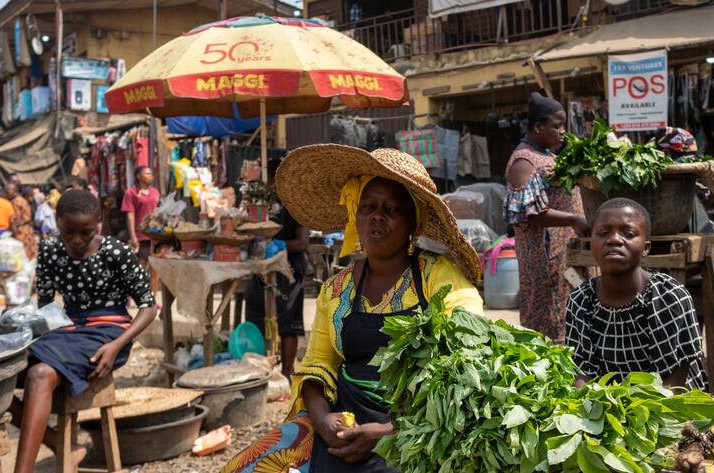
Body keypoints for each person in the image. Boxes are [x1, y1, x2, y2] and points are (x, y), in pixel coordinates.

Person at [224, 145, 484, 473]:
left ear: (413, 221)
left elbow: (468, 361)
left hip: (419, 424)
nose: (378, 216)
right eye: (368, 206)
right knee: (244, 467)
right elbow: (318, 363)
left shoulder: (440, 278)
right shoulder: (336, 289)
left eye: (392, 209)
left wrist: (388, 432)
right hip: (342, 421)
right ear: (355, 214)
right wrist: (323, 420)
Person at [10, 190, 157, 472]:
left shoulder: (116, 251)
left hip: (109, 332)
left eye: (86, 232)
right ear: (57, 223)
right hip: (69, 330)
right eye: (69, 232)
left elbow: (149, 308)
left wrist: (117, 346)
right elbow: (46, 307)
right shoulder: (50, 250)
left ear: (99, 224)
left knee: (39, 375)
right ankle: (60, 446)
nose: (77, 240)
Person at [565, 198, 707, 390]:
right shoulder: (581, 300)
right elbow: (582, 370)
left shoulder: (669, 297)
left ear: (646, 248)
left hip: (668, 401)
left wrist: (630, 408)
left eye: (629, 234)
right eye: (603, 233)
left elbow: (672, 384)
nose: (614, 240)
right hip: (607, 401)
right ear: (591, 243)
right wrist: (582, 400)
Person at [504, 92, 589, 343]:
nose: (563, 132)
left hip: (565, 255)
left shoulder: (548, 155)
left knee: (570, 308)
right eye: (557, 126)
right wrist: (574, 220)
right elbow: (529, 214)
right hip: (545, 258)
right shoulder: (523, 161)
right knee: (548, 317)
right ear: (538, 127)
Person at [246, 159, 308, 380]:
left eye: (276, 177)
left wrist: (280, 245)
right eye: (270, 178)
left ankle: (286, 372)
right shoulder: (260, 205)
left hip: (289, 269)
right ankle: (260, 369)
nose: (273, 183)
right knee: (256, 313)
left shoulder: (296, 204)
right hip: (263, 267)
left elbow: (303, 243)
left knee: (288, 323)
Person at [121, 166, 160, 285]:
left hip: (155, 234)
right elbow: (130, 215)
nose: (151, 176)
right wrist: (133, 236)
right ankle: (133, 292)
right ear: (138, 176)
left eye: (151, 173)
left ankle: (152, 295)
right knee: (140, 267)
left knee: (155, 269)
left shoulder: (155, 192)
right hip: (141, 235)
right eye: (147, 173)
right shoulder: (131, 193)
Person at [4, 183, 38, 260]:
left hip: (22, 231)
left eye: (7, 191)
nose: (6, 194)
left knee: (24, 253)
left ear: (13, 191)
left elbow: (20, 218)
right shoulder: (20, 200)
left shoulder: (16, 201)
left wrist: (15, 229)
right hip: (25, 230)